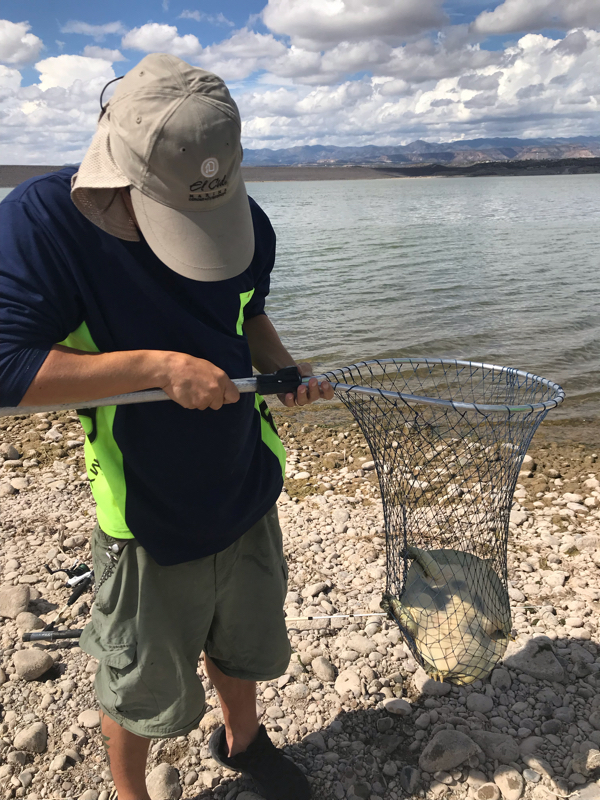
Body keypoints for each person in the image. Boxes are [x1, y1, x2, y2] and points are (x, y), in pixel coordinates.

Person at [0, 53, 334, 800]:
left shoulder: (247, 217)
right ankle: (131, 794)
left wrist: (285, 371)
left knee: (242, 640)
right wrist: (154, 367)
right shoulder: (40, 222)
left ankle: (244, 743)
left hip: (245, 482)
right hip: (143, 512)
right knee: (141, 686)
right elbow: (7, 369)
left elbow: (246, 310)